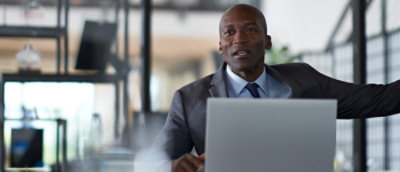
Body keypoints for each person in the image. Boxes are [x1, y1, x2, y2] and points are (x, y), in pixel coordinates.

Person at [152, 4, 400, 172]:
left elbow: (380, 99)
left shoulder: (305, 80)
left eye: (250, 29)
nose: (239, 38)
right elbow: (153, 160)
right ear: (220, 45)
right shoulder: (190, 98)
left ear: (267, 41)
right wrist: (171, 166)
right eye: (230, 32)